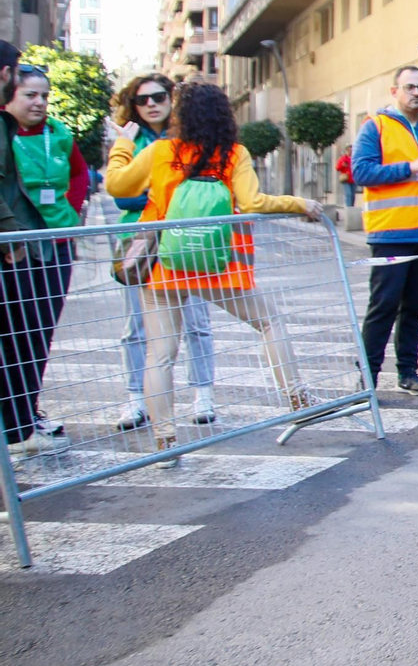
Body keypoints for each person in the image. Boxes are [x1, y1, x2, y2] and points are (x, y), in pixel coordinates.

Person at [105, 82, 321, 463]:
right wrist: (299, 203)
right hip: (215, 265)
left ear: (180, 115)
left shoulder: (159, 151)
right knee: (269, 321)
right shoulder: (233, 153)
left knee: (160, 354)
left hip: (166, 264)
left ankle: (165, 439)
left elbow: (116, 184)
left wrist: (122, 144)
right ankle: (297, 397)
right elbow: (253, 201)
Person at [106, 74, 219, 429]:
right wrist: (167, 194)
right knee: (136, 325)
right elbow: (123, 195)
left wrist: (160, 193)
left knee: (197, 320)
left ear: (173, 100)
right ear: (133, 106)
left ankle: (204, 393)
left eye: (159, 96)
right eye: (142, 100)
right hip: (139, 240)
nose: (151, 104)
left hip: (186, 237)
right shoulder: (130, 140)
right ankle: (135, 398)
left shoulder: (190, 137)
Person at [353, 66, 418, 397]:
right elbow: (362, 171)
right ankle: (368, 375)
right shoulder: (376, 127)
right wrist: (409, 168)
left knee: (414, 306)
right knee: (383, 304)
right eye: (409, 87)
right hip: (392, 231)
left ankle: (408, 372)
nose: (416, 93)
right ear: (394, 91)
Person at [0, 65, 87, 458]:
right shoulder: (5, 136)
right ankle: (14, 421)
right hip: (16, 249)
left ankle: (25, 415)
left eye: (44, 96)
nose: (39, 103)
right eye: (30, 95)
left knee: (39, 333)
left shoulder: (59, 134)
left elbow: (80, 176)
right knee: (14, 335)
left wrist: (66, 217)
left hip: (54, 246)